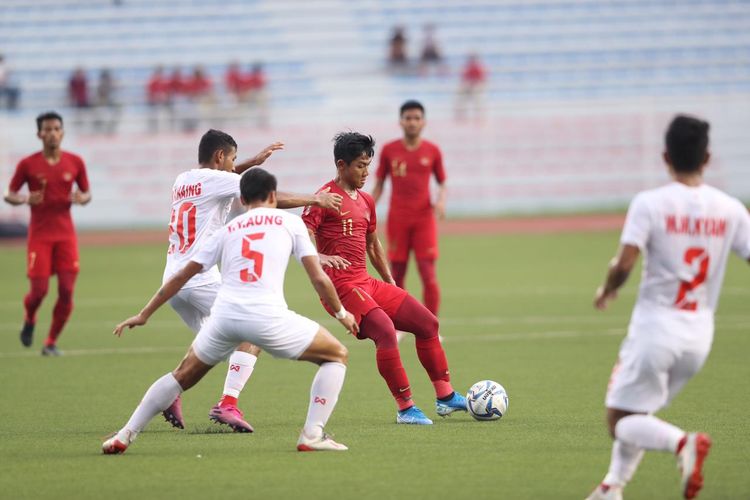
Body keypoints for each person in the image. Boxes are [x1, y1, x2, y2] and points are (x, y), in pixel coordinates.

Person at [103, 168, 357, 454]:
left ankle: (124, 434)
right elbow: (319, 278)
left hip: (224, 319)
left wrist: (144, 314)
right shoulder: (289, 222)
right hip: (268, 318)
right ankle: (312, 434)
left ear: (242, 198)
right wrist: (341, 314)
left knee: (180, 376)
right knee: (336, 355)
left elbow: (181, 276)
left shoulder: (227, 230)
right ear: (273, 195)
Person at [586, 115, 750, 500]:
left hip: (656, 330)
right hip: (699, 337)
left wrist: (607, 289)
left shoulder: (650, 204)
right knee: (637, 409)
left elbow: (625, 264)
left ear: (665, 156)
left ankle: (683, 443)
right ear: (707, 157)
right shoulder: (731, 209)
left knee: (618, 420)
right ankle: (612, 487)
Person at [158, 129, 343, 433]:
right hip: (200, 278)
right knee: (249, 331)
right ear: (220, 156)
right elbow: (264, 199)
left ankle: (170, 393)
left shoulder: (183, 179)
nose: (233, 165)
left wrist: (248, 163)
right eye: (231, 159)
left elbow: (227, 180)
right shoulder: (219, 180)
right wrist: (316, 199)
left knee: (210, 346)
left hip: (176, 279)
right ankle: (228, 403)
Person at [302, 131, 465, 425]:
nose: (366, 172)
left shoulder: (366, 200)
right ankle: (405, 408)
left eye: (368, 165)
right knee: (386, 333)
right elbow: (302, 234)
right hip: (341, 287)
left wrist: (389, 280)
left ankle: (445, 396)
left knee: (428, 323)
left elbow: (373, 244)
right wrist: (321, 258)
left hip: (367, 282)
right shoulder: (323, 198)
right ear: (341, 165)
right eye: (360, 166)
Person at [3, 111, 91, 356]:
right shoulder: (28, 164)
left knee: (66, 290)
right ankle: (29, 318)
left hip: (65, 236)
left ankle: (50, 341)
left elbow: (86, 192)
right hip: (39, 236)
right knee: (39, 292)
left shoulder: (75, 162)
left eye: (56, 129)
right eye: (47, 129)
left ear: (62, 133)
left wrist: (81, 198)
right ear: (39, 134)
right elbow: (9, 194)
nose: (52, 133)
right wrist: (24, 198)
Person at [372, 100, 446, 317]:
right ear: (400, 122)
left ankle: (432, 323)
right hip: (398, 218)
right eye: (408, 118)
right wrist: (366, 208)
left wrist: (441, 200)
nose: (412, 122)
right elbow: (379, 185)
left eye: (416, 118)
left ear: (423, 122)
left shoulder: (432, 151)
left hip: (424, 219)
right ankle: (400, 323)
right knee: (396, 273)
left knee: (428, 273)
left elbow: (441, 182)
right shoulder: (388, 150)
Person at [455, 53, 488, 122]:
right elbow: (463, 79)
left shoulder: (479, 68)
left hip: (476, 87)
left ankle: (479, 117)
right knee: (460, 97)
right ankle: (460, 116)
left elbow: (482, 80)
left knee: (478, 97)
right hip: (468, 87)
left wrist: (474, 84)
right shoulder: (467, 68)